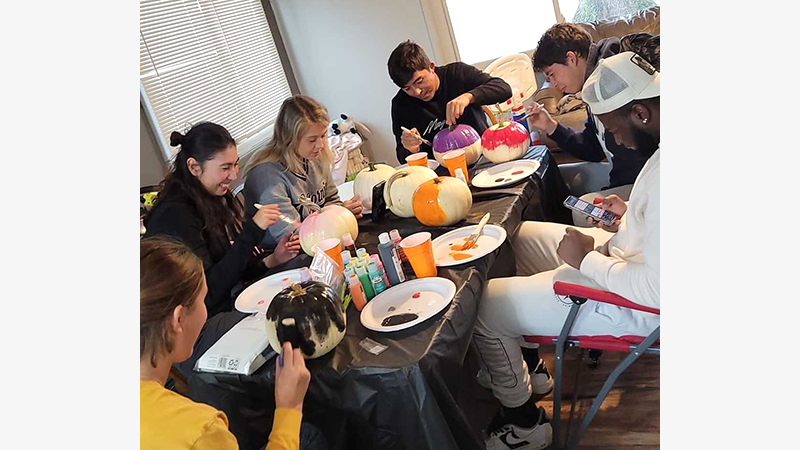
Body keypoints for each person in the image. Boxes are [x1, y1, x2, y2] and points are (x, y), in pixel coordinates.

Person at [475, 52, 660, 450]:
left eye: (613, 129)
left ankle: (525, 426)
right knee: (519, 237)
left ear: (641, 113)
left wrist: (585, 261)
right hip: (624, 258)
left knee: (483, 305)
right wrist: (629, 216)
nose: (615, 140)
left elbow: (659, 290)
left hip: (635, 300)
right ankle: (530, 368)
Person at [140, 237, 320, 450]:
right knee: (310, 436)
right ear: (178, 319)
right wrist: (289, 409)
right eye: (202, 300)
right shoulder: (201, 431)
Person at [145, 122, 301, 318]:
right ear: (194, 167)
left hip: (229, 299)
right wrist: (252, 232)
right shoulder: (175, 216)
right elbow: (209, 293)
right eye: (225, 167)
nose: (234, 175)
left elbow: (231, 262)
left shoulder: (214, 196)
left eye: (235, 164)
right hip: (199, 320)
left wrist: (271, 260)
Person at [526, 23, 658, 226]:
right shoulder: (591, 88)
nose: (553, 84)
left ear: (571, 58)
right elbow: (594, 149)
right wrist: (551, 126)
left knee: (581, 211)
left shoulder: (611, 78)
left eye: (552, 74)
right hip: (619, 173)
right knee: (557, 175)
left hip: (641, 179)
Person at [243, 95, 363, 249]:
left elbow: (331, 200)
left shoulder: (316, 156)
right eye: (312, 140)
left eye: (323, 135)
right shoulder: (266, 177)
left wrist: (341, 212)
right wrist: (336, 220)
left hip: (322, 240)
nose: (320, 145)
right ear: (290, 138)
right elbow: (291, 237)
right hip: (284, 255)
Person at [388, 40, 512, 163]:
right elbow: (402, 157)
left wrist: (468, 97)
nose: (417, 92)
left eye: (419, 81)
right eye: (407, 88)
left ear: (431, 67)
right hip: (440, 172)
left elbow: (504, 89)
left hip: (483, 157)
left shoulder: (457, 74)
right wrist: (410, 148)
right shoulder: (400, 105)